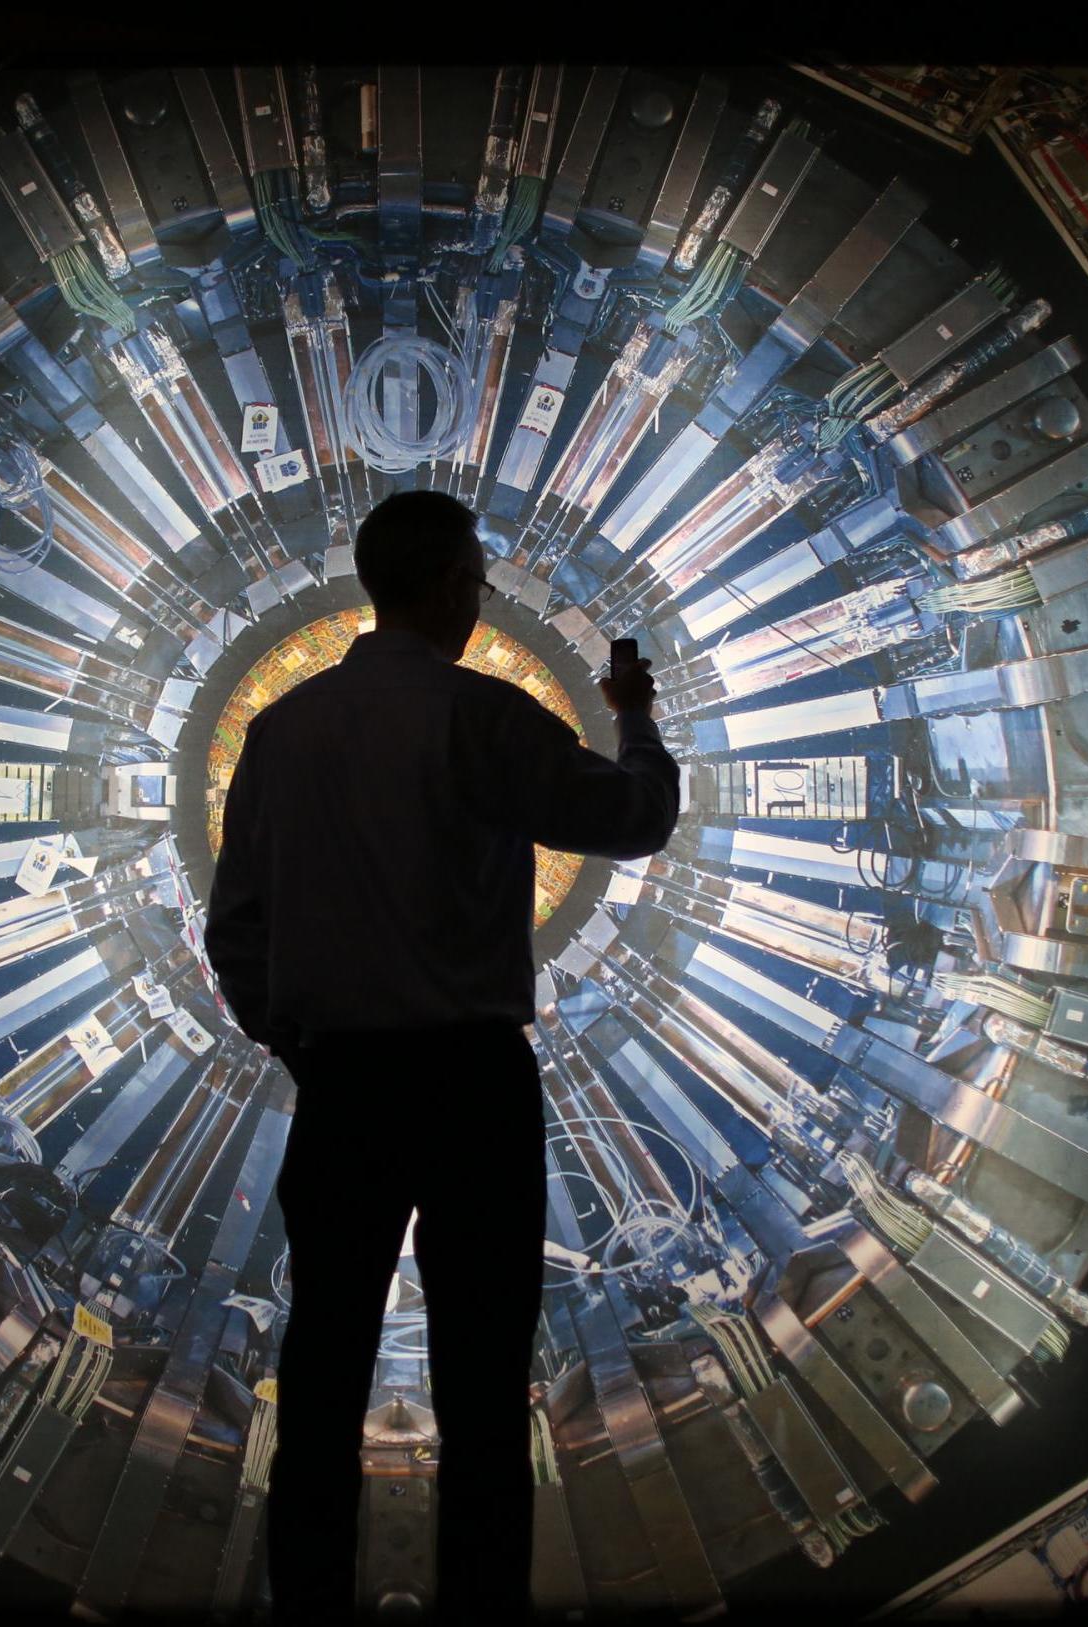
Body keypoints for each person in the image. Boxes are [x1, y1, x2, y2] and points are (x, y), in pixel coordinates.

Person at [204, 489, 680, 1621]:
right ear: (459, 588)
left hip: (346, 1087)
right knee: (479, 1388)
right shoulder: (488, 720)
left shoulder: (281, 732)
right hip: (473, 1085)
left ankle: (307, 1606)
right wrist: (635, 716)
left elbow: (235, 931)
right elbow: (636, 818)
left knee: (320, 1379)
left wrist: (302, 1042)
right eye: (477, 577)